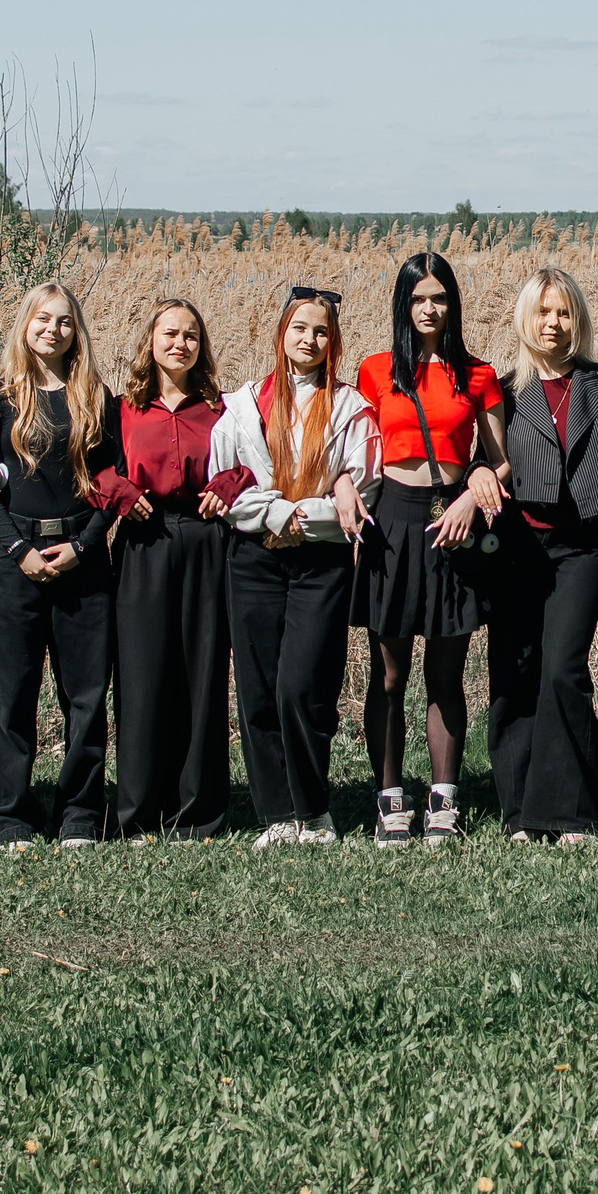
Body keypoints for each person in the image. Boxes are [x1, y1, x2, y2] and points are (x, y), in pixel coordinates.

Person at [352, 252, 509, 846]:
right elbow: (353, 448)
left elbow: (501, 462)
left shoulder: (477, 374)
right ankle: (389, 796)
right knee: (389, 674)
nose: (428, 308)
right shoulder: (374, 372)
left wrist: (475, 485)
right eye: (418, 298)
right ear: (403, 303)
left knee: (446, 674)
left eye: (438, 298)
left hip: (455, 522)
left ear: (452, 304)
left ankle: (444, 798)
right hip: (391, 521)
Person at [209, 287, 375, 847]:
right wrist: (280, 513)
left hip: (321, 561)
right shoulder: (243, 406)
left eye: (321, 331)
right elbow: (225, 485)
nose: (309, 339)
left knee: (302, 684)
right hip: (254, 558)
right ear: (281, 333)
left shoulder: (351, 409)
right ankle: (277, 814)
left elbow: (363, 488)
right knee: (257, 686)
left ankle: (313, 808)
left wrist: (307, 519)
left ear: (334, 341)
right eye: (299, 328)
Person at [0, 283, 123, 849]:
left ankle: (80, 812)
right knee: (11, 694)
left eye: (64, 322)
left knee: (85, 696)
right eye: (42, 319)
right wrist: (19, 551)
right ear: (25, 324)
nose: (53, 330)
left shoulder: (96, 399)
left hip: (83, 561)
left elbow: (114, 486)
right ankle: (11, 812)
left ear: (75, 331)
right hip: (15, 561)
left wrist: (82, 546)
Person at [488, 267, 598, 844]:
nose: (554, 323)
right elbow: (480, 456)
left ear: (578, 319)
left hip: (580, 547)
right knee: (516, 672)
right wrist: (477, 476)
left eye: (564, 312)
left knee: (564, 669)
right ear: (527, 318)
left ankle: (572, 811)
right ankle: (520, 811)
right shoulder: (502, 388)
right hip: (518, 546)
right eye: (544, 312)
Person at [106, 298, 245, 840]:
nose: (179, 343)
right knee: (142, 676)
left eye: (190, 335)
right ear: (151, 341)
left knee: (202, 672)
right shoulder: (123, 409)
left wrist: (227, 486)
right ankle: (138, 811)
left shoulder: (222, 409)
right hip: (144, 541)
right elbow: (94, 466)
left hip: (205, 540)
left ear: (201, 347)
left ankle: (198, 812)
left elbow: (251, 465)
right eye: (169, 333)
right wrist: (118, 490)